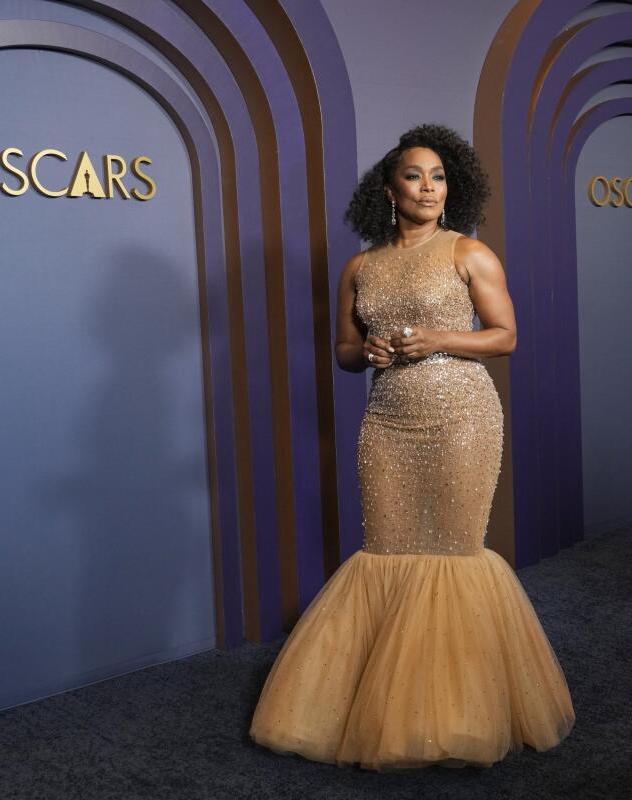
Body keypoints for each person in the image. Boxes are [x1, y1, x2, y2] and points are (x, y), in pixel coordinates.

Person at [249, 124, 574, 769]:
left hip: (462, 418)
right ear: (389, 190)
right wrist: (364, 352)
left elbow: (506, 336)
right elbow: (343, 352)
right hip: (388, 423)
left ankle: (457, 715)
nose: (428, 187)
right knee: (388, 551)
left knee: (453, 553)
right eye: (414, 176)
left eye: (439, 177)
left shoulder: (469, 254)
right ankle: (379, 710)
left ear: (452, 191)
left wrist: (440, 339)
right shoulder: (361, 266)